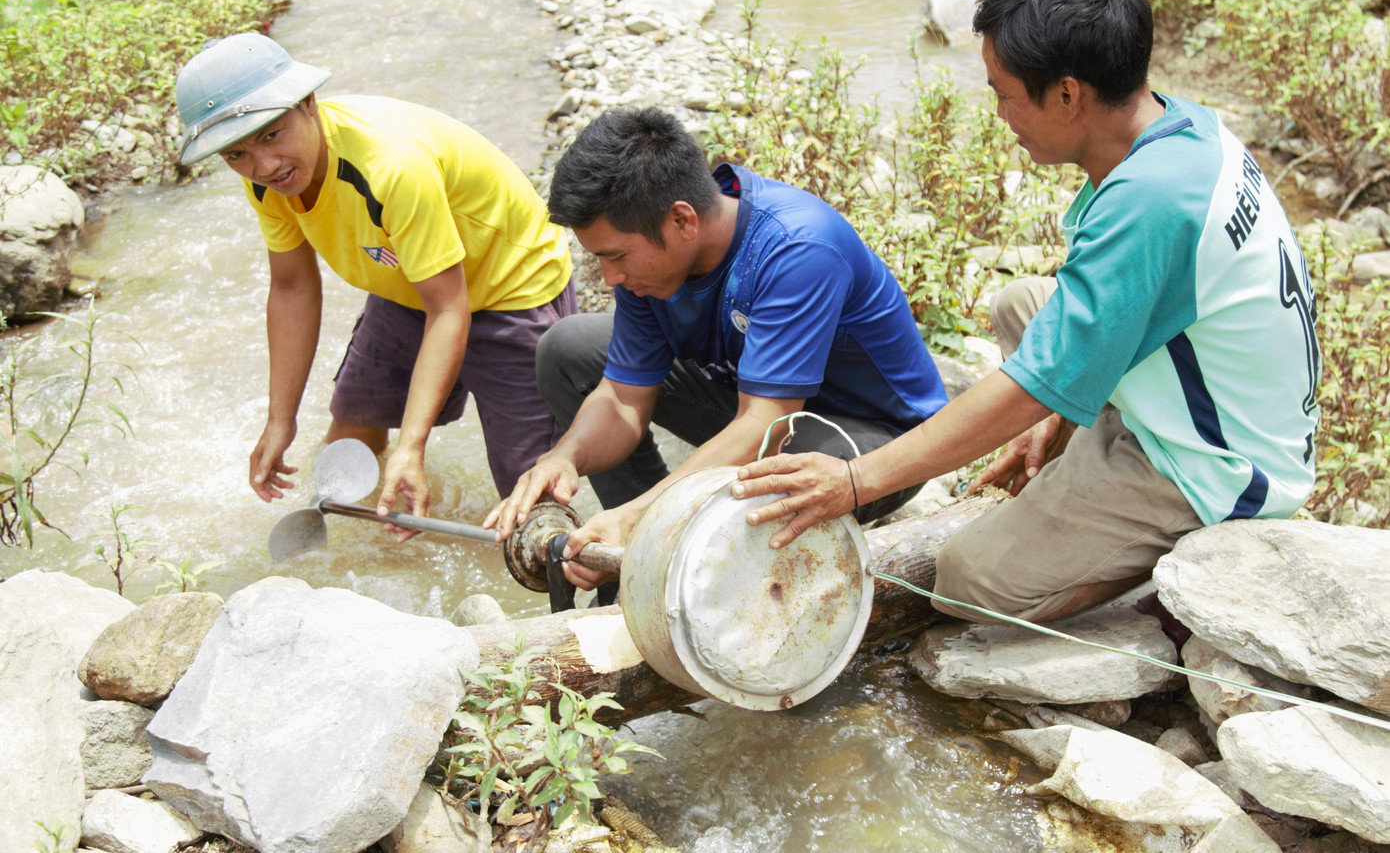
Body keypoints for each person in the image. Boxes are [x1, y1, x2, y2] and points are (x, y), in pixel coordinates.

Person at [731, 0, 1321, 624]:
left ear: (1068, 94)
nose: (1001, 113)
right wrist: (1058, 407)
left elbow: (1032, 382)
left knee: (967, 579)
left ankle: (1154, 558)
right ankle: (1086, 440)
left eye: (1004, 93)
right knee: (1021, 305)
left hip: (1216, 457)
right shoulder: (1176, 126)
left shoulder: (1152, 201)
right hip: (1210, 386)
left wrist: (856, 478)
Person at [485, 107, 950, 589]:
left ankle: (658, 540)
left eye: (617, 256)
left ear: (681, 219)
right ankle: (635, 565)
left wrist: (644, 516)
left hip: (870, 440)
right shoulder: (651, 263)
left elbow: (766, 424)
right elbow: (623, 397)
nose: (610, 277)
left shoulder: (796, 246)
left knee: (779, 474)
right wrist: (564, 457)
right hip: (756, 408)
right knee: (568, 349)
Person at [175, 33, 575, 538]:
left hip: (510, 290)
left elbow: (449, 308)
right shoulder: (267, 178)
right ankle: (374, 554)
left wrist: (412, 446)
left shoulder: (391, 166)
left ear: (308, 103)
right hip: (408, 285)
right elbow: (293, 288)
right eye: (236, 154)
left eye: (272, 135)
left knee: (531, 506)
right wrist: (281, 419)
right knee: (347, 446)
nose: (264, 165)